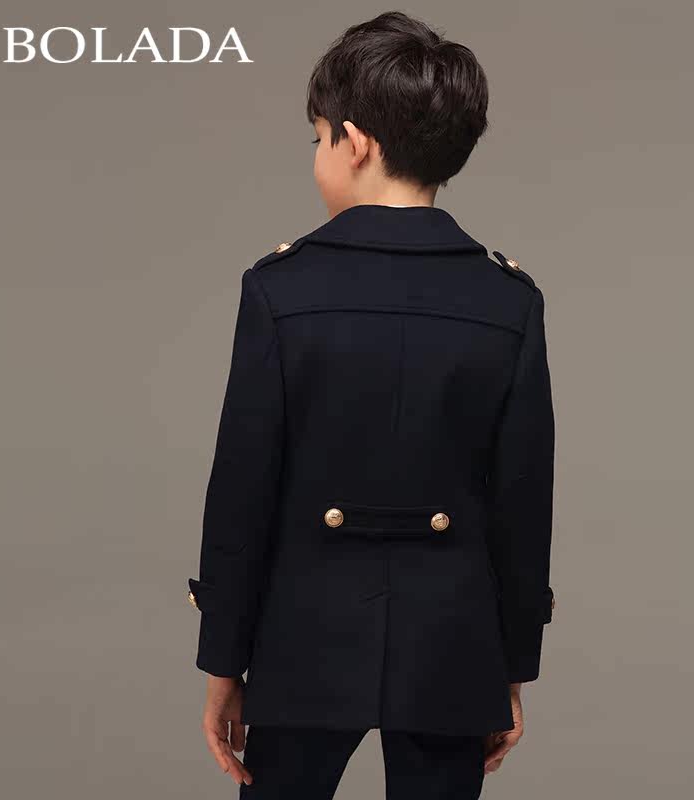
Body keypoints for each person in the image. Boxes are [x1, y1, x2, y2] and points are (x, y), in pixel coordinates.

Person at [187, 10, 556, 799]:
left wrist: (223, 662)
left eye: (318, 137)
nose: (318, 155)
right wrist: (509, 667)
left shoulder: (280, 289)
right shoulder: (508, 300)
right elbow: (522, 503)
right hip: (452, 646)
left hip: (301, 637)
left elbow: (243, 491)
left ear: (354, 142)